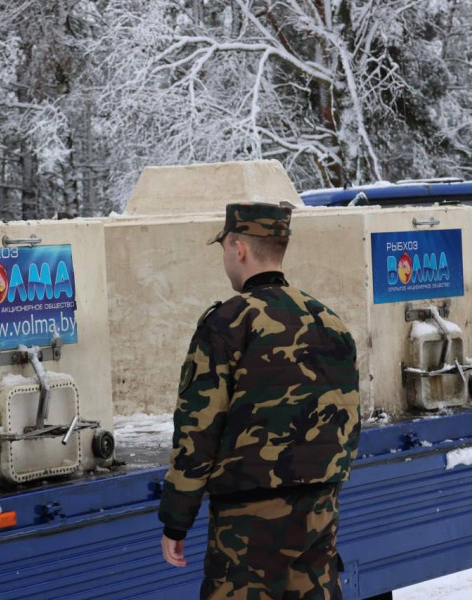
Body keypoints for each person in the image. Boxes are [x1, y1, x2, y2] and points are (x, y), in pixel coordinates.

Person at [158, 202, 360, 599]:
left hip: (246, 522)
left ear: (238, 248)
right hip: (318, 513)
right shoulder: (329, 321)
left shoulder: (228, 324)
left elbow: (197, 431)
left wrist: (176, 521)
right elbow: (348, 423)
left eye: (224, 250)